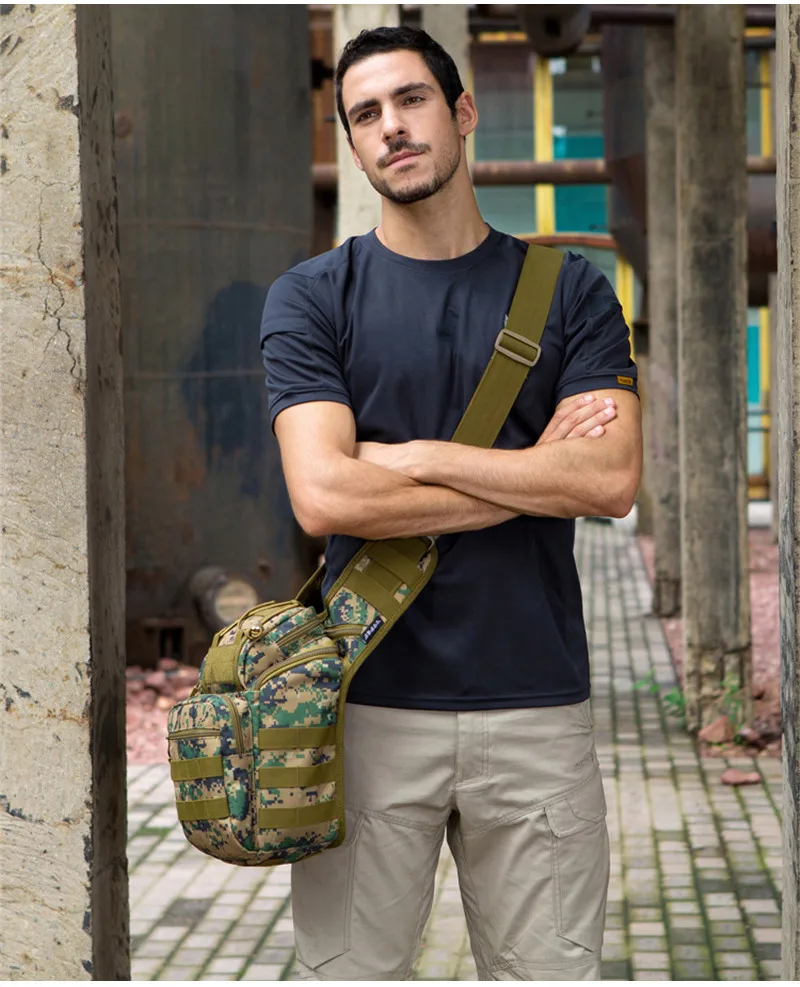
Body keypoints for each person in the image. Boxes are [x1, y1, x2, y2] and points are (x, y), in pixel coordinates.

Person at [260, 25, 642, 982]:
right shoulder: (312, 298)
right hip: (365, 712)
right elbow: (323, 492)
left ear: (463, 111)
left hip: (538, 710)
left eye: (411, 99)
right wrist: (533, 473)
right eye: (365, 114)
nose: (391, 126)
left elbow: (608, 480)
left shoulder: (571, 291)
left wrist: (419, 458)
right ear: (354, 145)